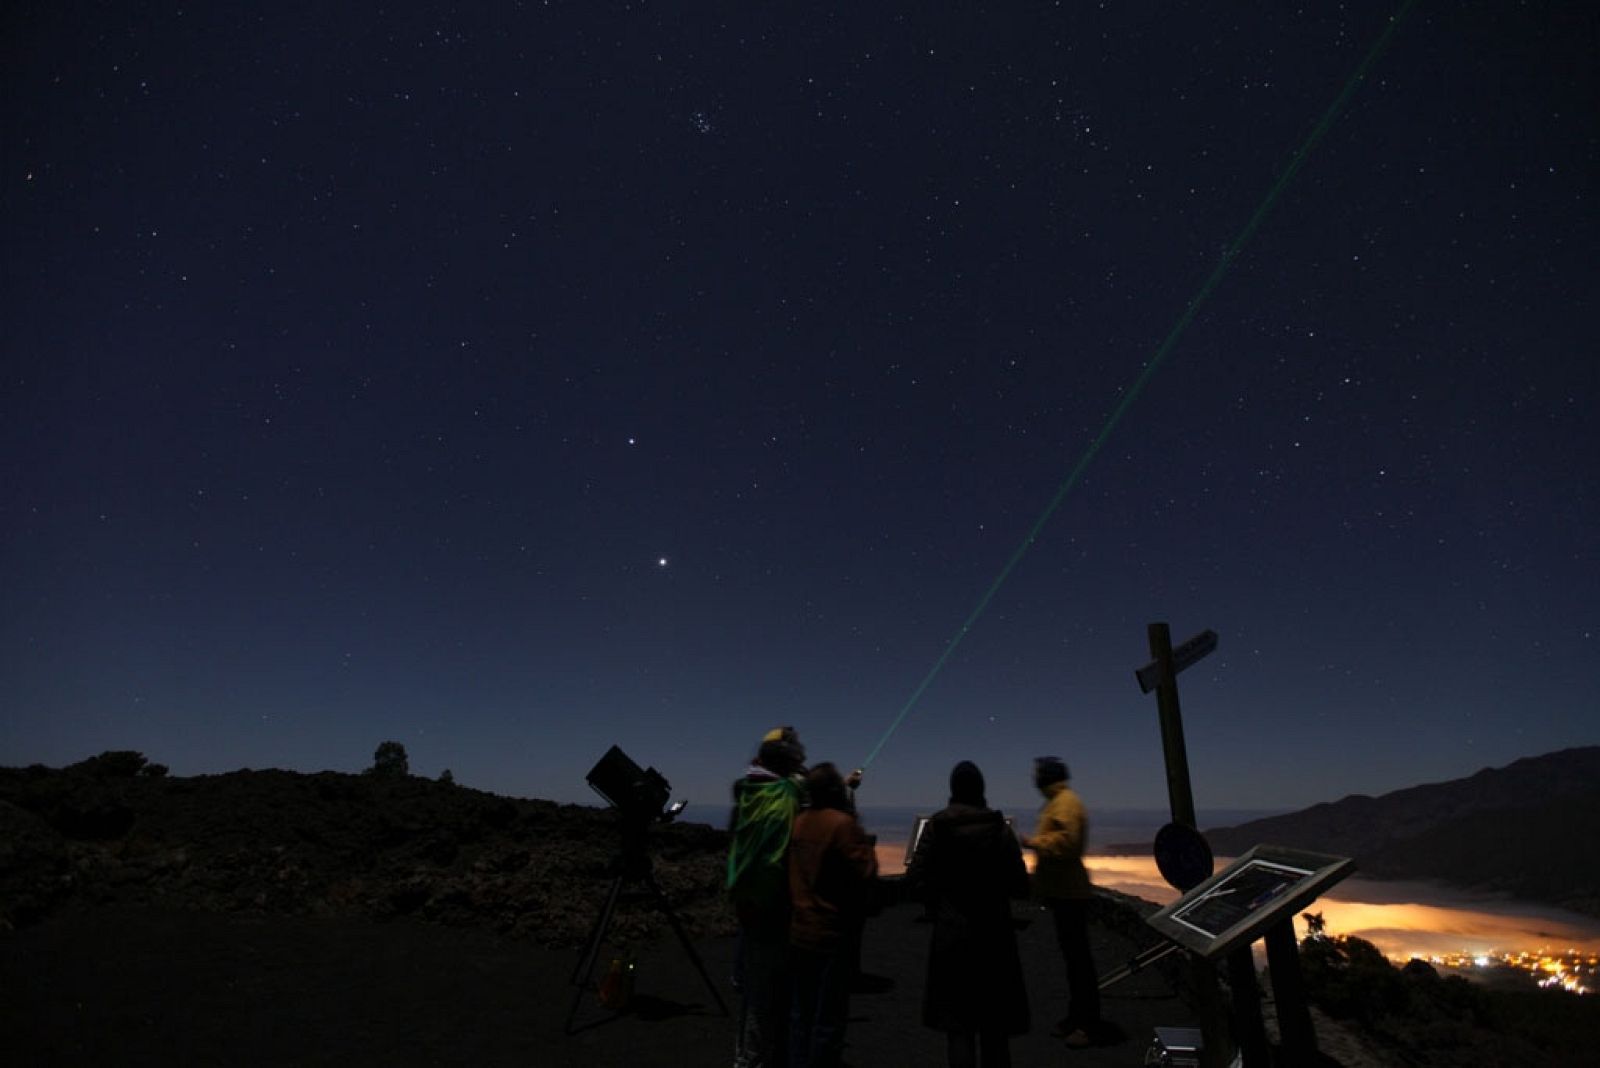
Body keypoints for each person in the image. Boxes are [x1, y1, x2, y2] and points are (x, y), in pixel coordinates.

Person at [906, 761, 1030, 1068]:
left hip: (952, 934)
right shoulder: (999, 828)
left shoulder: (938, 826)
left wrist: (937, 901)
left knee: (958, 1028)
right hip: (995, 934)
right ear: (981, 789)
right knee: (994, 1027)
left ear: (953, 790)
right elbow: (1019, 882)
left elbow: (916, 880)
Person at [787, 763, 878, 1068]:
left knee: (801, 1013)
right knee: (828, 1016)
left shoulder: (798, 823)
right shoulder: (841, 825)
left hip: (799, 931)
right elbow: (866, 870)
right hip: (831, 933)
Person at [728, 726, 807, 1068]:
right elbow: (806, 785)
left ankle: (746, 1056)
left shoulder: (748, 793)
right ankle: (753, 1061)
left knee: (755, 990)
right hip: (775, 908)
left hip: (747, 903)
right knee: (768, 997)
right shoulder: (788, 794)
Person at [1020, 755, 1101, 1048]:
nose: (1034, 778)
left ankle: (1087, 1025)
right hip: (1064, 891)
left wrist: (1033, 843)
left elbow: (1067, 844)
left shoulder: (1065, 803)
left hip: (1070, 893)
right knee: (1074, 961)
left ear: (1047, 776)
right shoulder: (1058, 801)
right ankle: (1076, 1017)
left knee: (1079, 963)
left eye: (1037, 773)